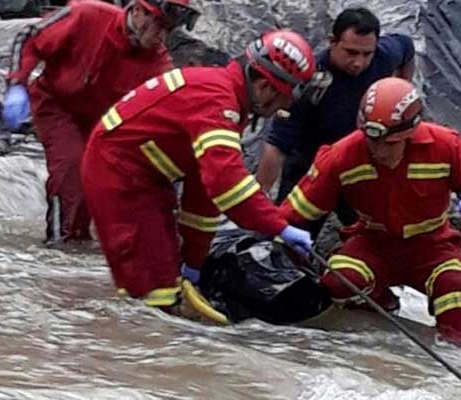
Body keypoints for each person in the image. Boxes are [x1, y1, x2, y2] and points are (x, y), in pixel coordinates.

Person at [80, 29, 321, 321]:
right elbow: (227, 183)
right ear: (264, 87)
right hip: (120, 177)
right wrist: (279, 227)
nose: (283, 109)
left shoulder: (223, 96)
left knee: (165, 279)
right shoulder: (217, 101)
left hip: (143, 178)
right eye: (284, 100)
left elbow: (203, 194)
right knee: (151, 293)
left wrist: (193, 262)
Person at [279, 77, 461, 354]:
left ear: (411, 132)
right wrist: (279, 235)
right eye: (372, 141)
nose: (379, 151)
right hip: (372, 243)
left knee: (454, 288)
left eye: (390, 143)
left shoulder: (446, 145)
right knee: (340, 280)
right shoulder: (341, 155)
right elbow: (293, 212)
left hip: (433, 246)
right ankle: (375, 322)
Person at [1, 0, 200, 247]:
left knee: (105, 185)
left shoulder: (156, 64)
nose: (161, 37)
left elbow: (172, 110)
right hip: (56, 105)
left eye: (168, 30)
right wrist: (16, 84)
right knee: (71, 169)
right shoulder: (86, 15)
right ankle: (59, 248)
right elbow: (29, 38)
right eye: (158, 26)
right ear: (137, 11)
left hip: (103, 125)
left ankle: (79, 243)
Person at [256, 7, 416, 231]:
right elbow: (277, 146)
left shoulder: (384, 55)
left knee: (377, 235)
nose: (358, 62)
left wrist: (402, 90)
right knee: (289, 239)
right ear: (332, 42)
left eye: (366, 54)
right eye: (350, 53)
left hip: (359, 162)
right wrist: (258, 200)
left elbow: (407, 49)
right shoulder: (309, 81)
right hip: (310, 167)